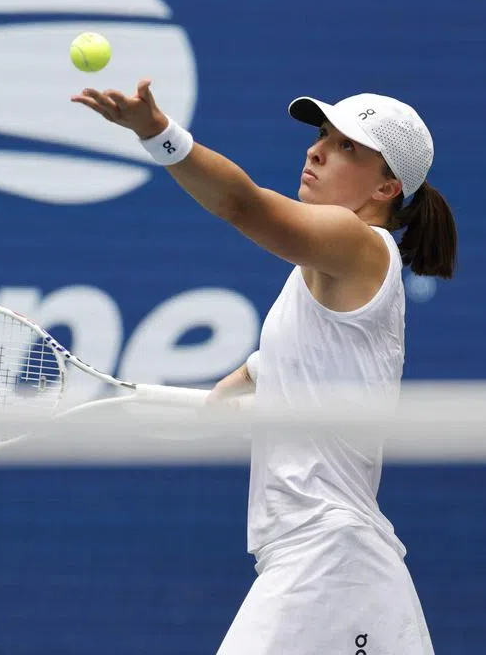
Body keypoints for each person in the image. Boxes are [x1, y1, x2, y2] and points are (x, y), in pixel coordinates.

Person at [71, 80, 457, 655]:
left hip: (329, 563)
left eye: (347, 147)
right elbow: (284, 360)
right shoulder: (323, 271)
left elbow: (241, 204)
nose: (316, 151)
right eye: (322, 137)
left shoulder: (359, 244)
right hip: (327, 561)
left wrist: (161, 136)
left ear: (387, 186)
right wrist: (239, 385)